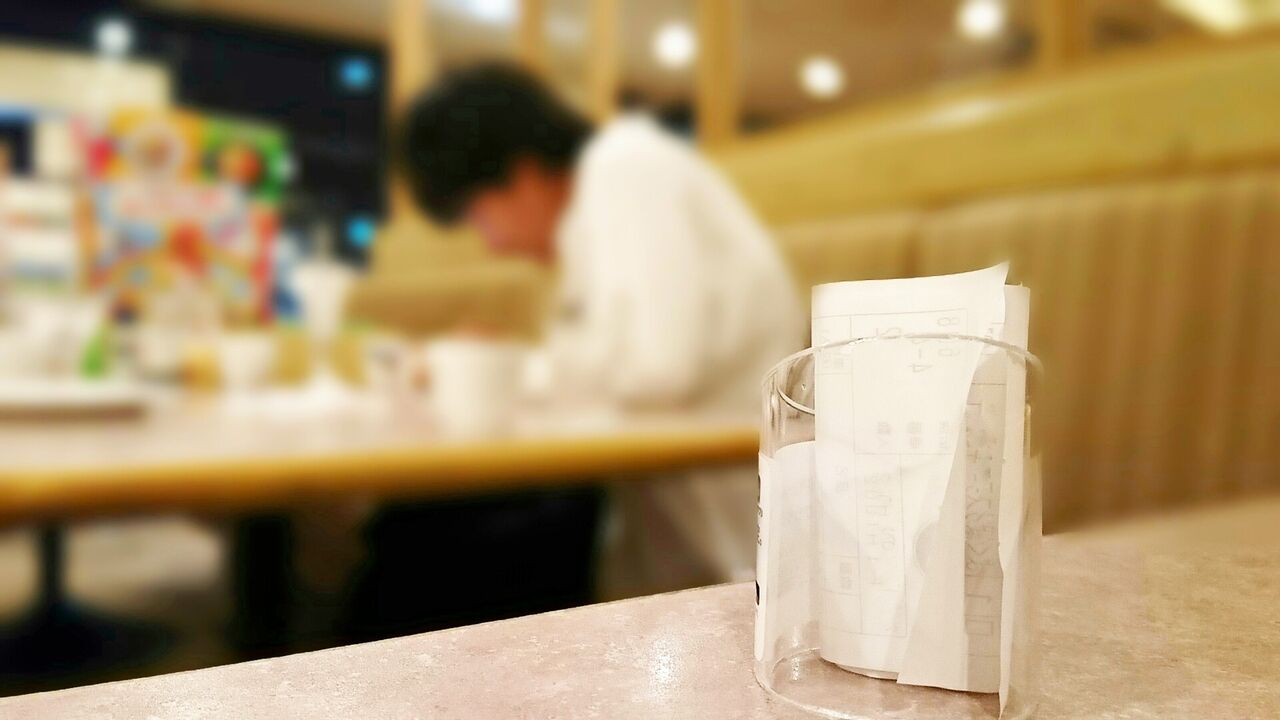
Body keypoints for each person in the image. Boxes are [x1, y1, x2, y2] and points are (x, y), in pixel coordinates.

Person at [385, 64, 803, 608]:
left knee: (416, 544)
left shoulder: (625, 168)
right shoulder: (602, 199)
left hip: (730, 553)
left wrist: (502, 370)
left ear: (522, 173)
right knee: (417, 532)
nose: (492, 244)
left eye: (478, 216)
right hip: (678, 537)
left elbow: (659, 368)